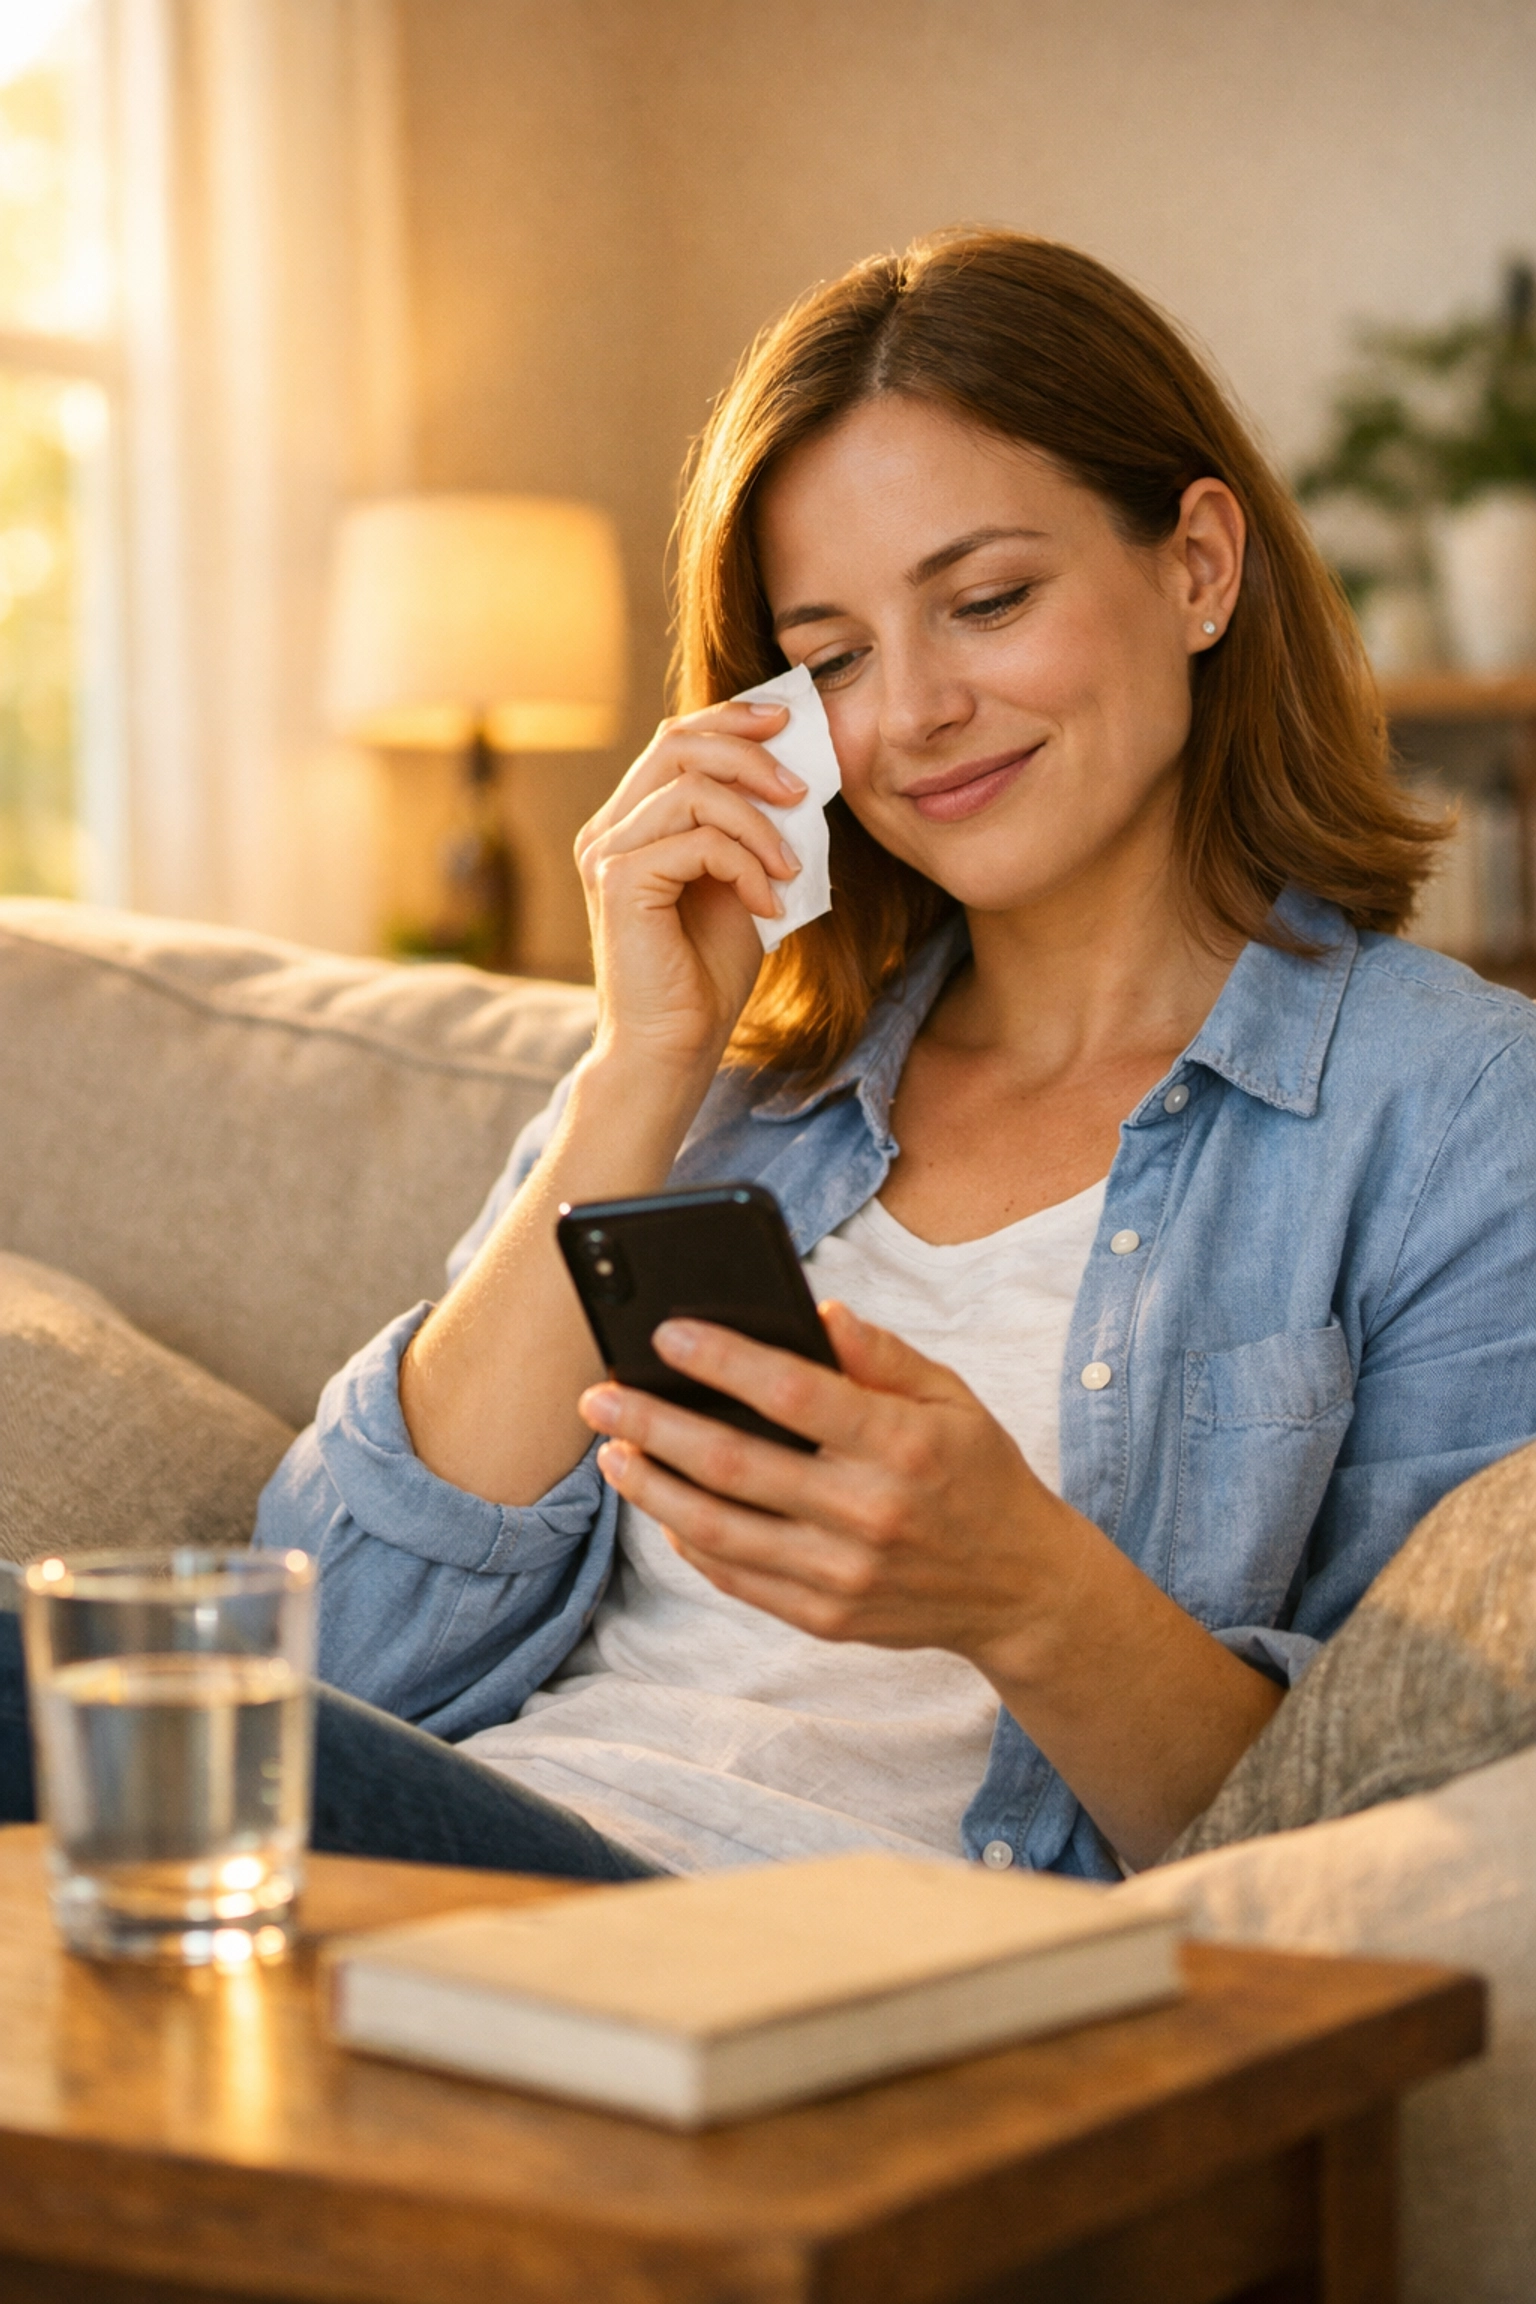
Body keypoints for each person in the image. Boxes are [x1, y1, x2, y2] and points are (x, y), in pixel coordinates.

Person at [12, 228, 1527, 1881]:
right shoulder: (734, 1086)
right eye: (831, 660)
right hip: (456, 1874)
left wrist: (1024, 1588)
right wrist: (642, 1065)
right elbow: (335, 1660)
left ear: (1199, 568)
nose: (913, 713)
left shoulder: (1454, 1115)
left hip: (775, 1959)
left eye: (988, 601)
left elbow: (1398, 1860)